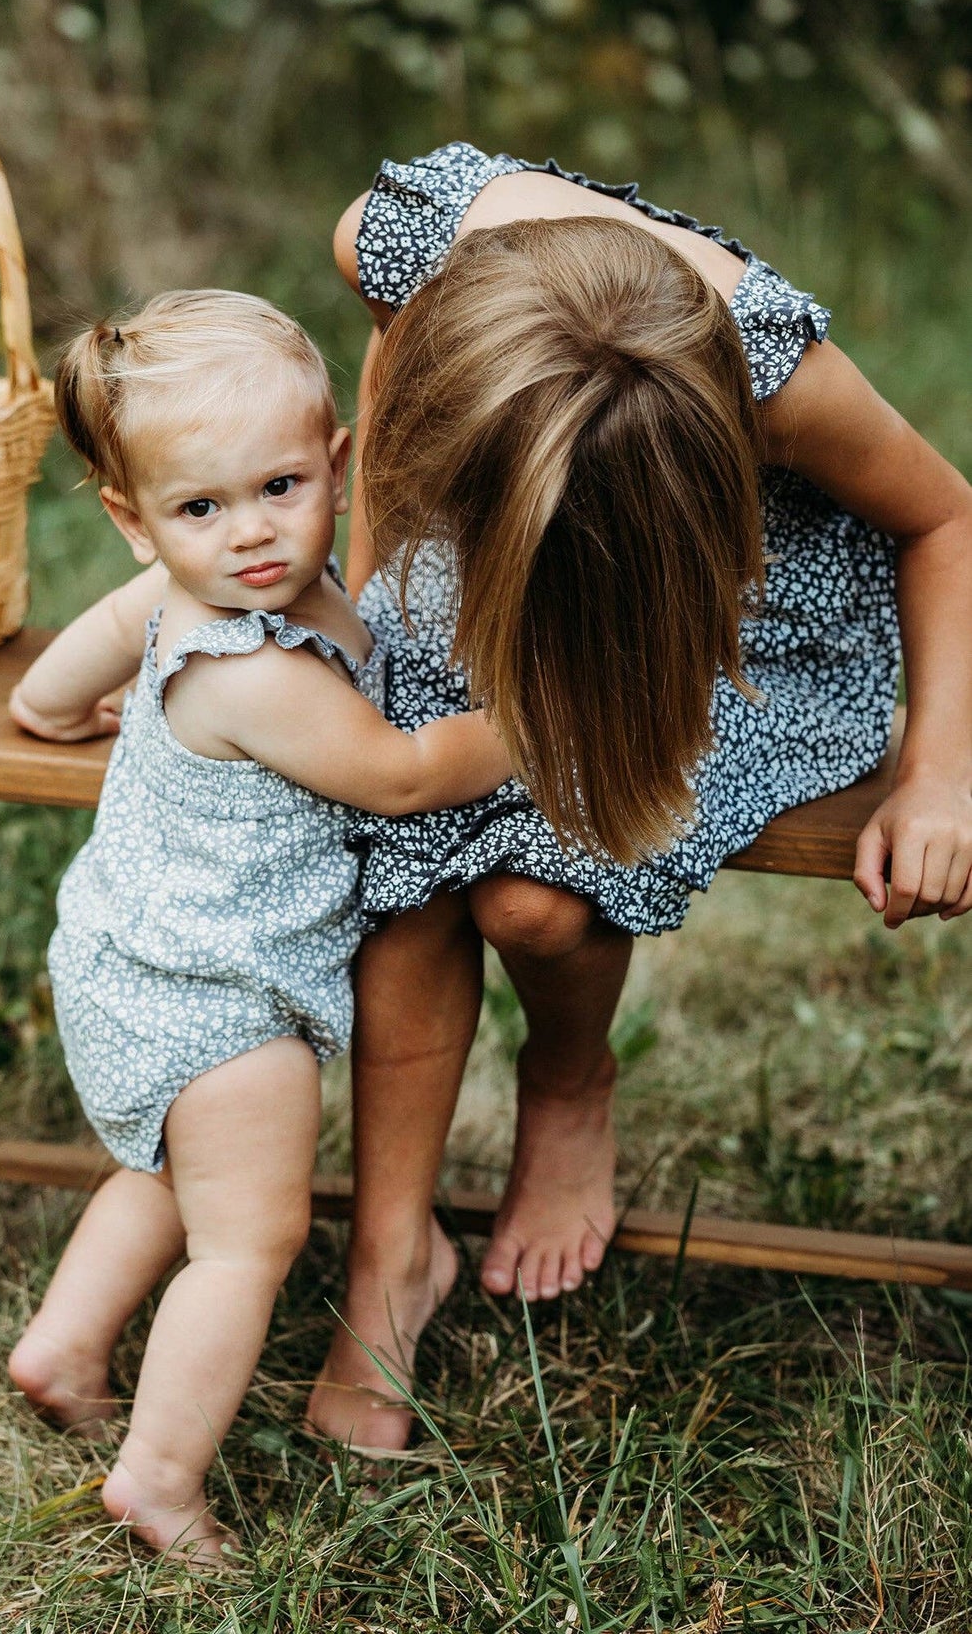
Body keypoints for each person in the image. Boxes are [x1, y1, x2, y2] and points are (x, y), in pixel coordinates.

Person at [306, 145, 972, 1452]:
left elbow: (946, 519)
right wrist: (364, 632)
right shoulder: (392, 235)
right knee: (403, 815)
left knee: (532, 900)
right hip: (487, 541)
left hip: (729, 608)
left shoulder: (772, 371)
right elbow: (395, 372)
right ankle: (393, 1257)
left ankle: (568, 1076)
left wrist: (941, 766)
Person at [5, 289, 508, 1558]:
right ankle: (159, 1479)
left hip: (126, 958)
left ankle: (63, 1347)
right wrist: (535, 729)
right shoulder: (255, 667)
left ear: (335, 462)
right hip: (222, 1003)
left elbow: (61, 673)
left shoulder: (173, 600)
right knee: (247, 1241)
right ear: (132, 521)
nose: (249, 534)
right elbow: (397, 774)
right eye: (199, 509)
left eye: (279, 485)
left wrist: (56, 709)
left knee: (170, 1175)